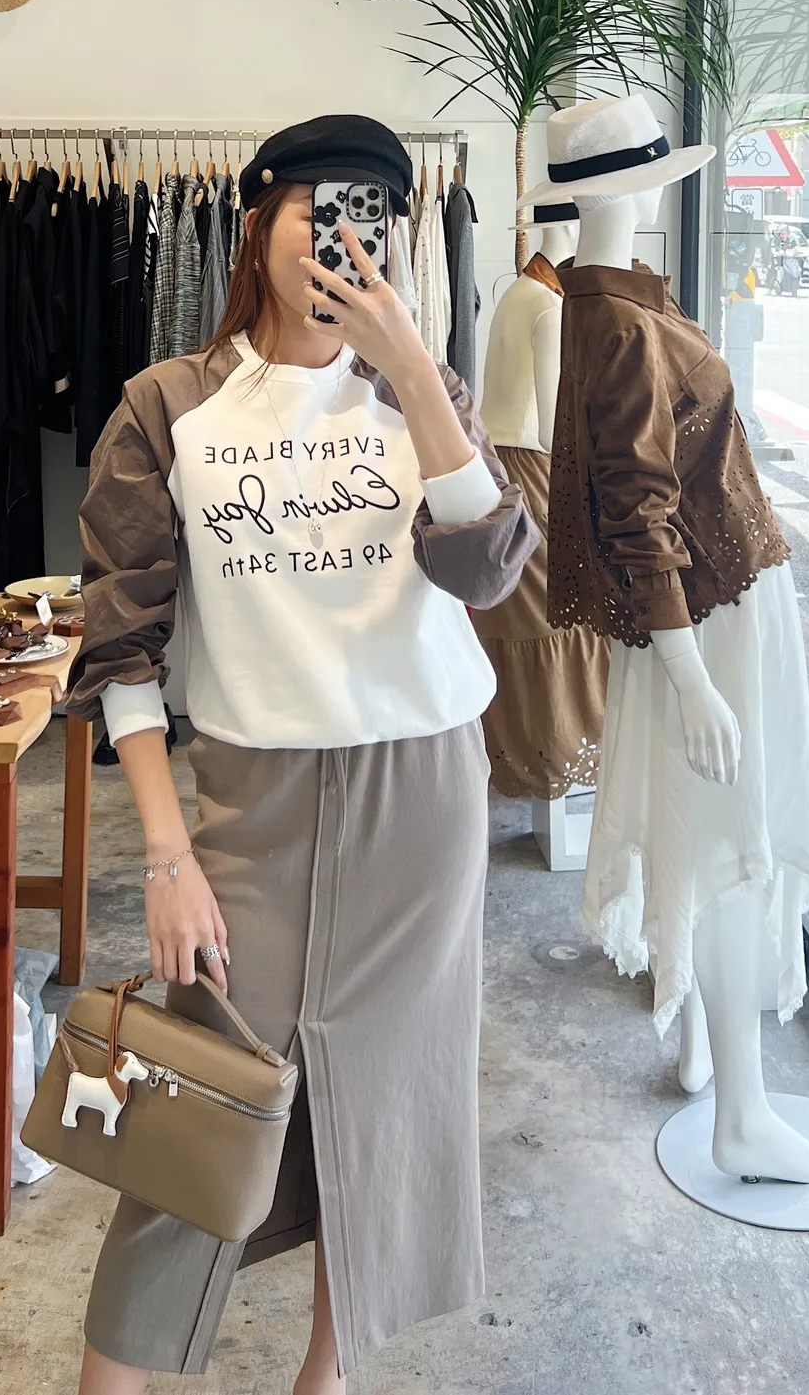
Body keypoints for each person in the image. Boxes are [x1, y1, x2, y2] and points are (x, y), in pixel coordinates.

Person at [66, 114, 537, 1395]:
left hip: (420, 789)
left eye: (371, 213)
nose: (345, 237)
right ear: (257, 223)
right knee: (197, 1104)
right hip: (250, 797)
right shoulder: (171, 405)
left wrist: (415, 367)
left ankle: (324, 1377)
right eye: (320, 209)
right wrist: (167, 854)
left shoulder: (414, 394)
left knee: (383, 1100)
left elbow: (488, 569)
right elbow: (121, 649)